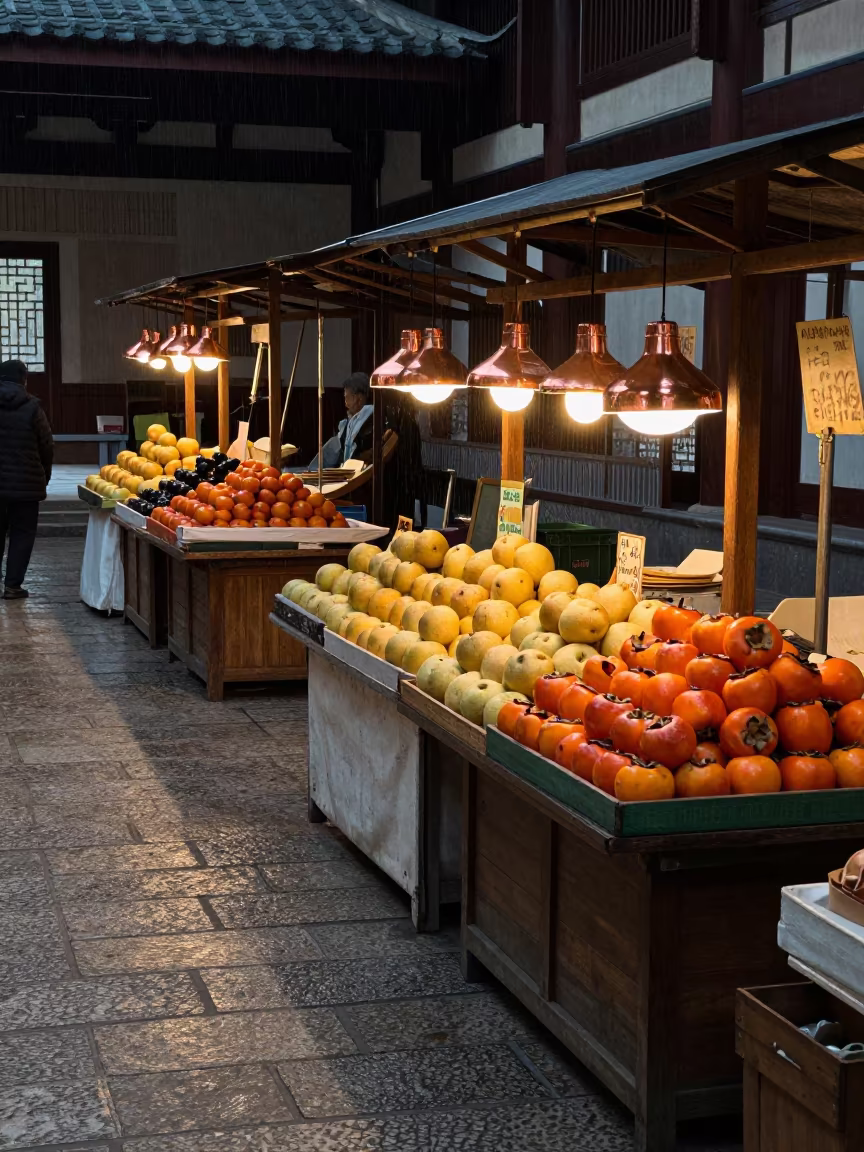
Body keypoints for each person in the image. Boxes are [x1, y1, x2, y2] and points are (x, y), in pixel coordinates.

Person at [0, 360, 53, 599]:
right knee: (22, 534)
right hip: (26, 486)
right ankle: (12, 586)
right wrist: (44, 476)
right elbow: (46, 445)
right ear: (23, 379)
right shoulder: (33, 407)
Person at [308, 372, 373, 470]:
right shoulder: (349, 422)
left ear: (358, 399)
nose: (345, 402)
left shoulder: (371, 421)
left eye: (347, 397)